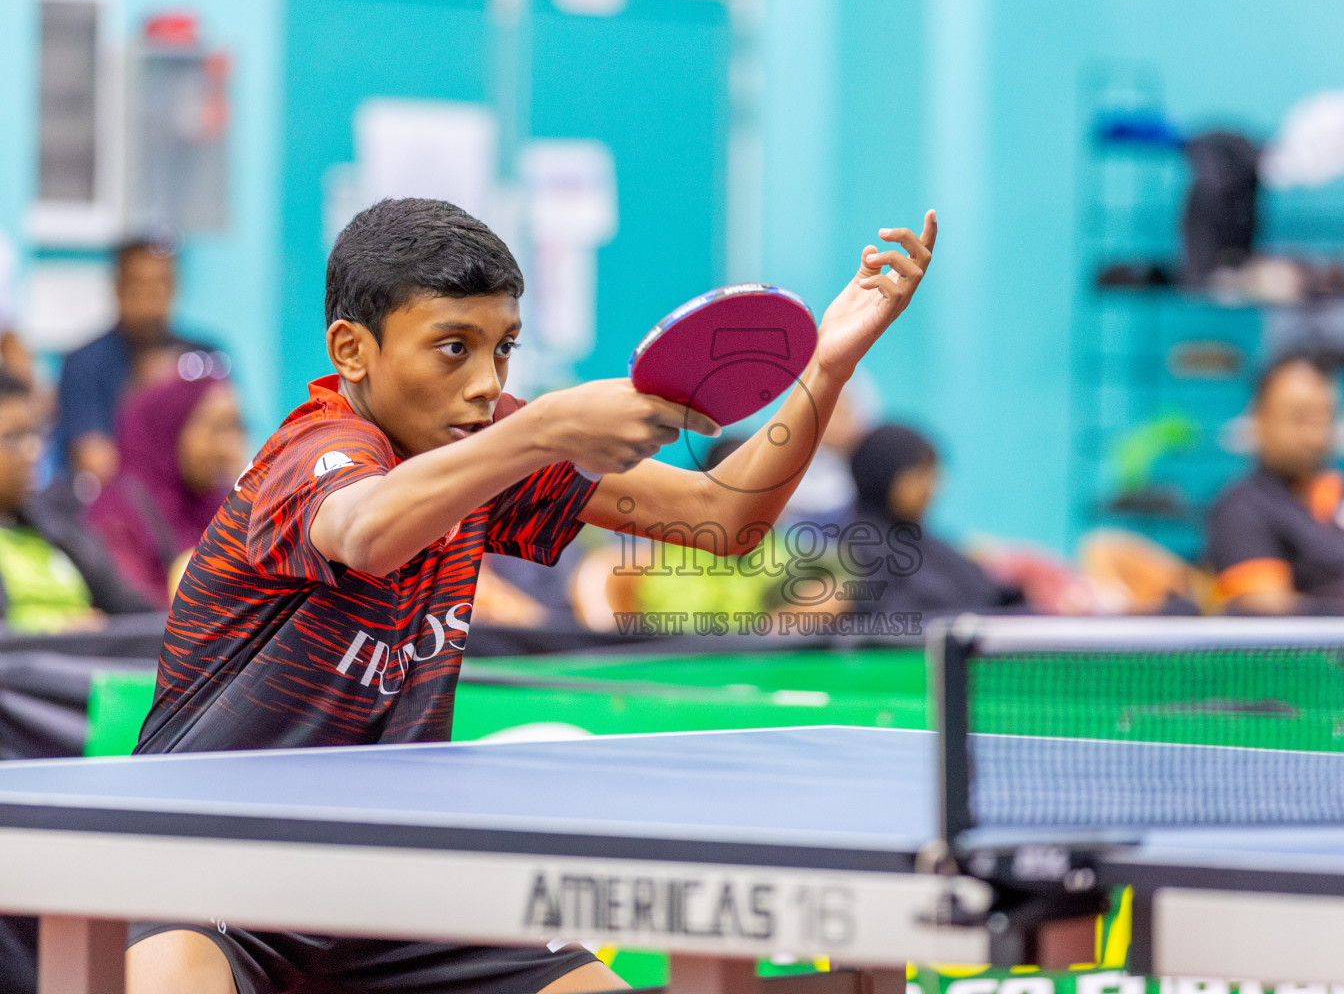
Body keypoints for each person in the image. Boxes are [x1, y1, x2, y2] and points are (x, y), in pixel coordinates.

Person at [127, 196, 936, 993]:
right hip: (209, 861)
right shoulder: (315, 451)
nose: (485, 382)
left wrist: (827, 365)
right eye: (454, 347)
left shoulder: (488, 449)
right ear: (352, 349)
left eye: (504, 349)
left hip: (386, 883)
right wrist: (541, 428)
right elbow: (367, 531)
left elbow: (721, 517)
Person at [1204, 354, 1344, 615]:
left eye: (1323, 418)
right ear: (1260, 419)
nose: (1313, 436)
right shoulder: (1240, 511)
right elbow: (1270, 618)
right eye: (1298, 418)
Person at [84, 363, 248, 610]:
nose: (229, 448)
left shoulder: (224, 505)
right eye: (217, 429)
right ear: (169, 429)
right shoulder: (119, 516)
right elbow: (137, 611)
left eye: (236, 428)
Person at [55, 238, 216, 485]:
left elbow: (228, 452)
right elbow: (95, 461)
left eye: (161, 284)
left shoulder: (205, 357)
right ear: (118, 288)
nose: (150, 296)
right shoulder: (84, 362)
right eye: (139, 285)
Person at [0, 370, 152, 631]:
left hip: (92, 661)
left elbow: (130, 608)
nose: (32, 451)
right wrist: (58, 632)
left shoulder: (55, 522)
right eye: (12, 438)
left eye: (34, 434)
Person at [844, 423, 1022, 618]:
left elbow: (991, 595)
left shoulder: (927, 544)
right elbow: (893, 619)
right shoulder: (858, 549)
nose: (929, 487)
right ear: (883, 473)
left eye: (931, 474)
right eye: (917, 474)